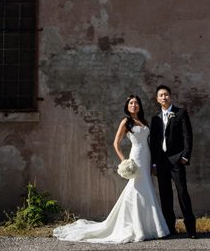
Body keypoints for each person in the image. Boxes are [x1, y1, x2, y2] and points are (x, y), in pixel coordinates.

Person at [53, 94, 169, 243]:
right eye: (131, 103)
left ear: (139, 106)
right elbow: (116, 143)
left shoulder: (143, 121)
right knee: (137, 188)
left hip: (146, 157)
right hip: (136, 156)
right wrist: (124, 161)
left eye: (136, 103)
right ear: (127, 106)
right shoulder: (126, 121)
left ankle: (149, 227)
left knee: (146, 188)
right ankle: (136, 227)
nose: (134, 105)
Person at [150, 84, 197, 238]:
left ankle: (191, 229)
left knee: (182, 192)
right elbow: (154, 143)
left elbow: (188, 137)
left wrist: (185, 157)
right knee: (165, 195)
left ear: (170, 96)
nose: (164, 97)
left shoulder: (180, 113)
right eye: (161, 95)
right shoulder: (155, 119)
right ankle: (170, 229)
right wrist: (154, 163)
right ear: (157, 99)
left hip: (177, 160)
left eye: (166, 94)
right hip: (162, 162)